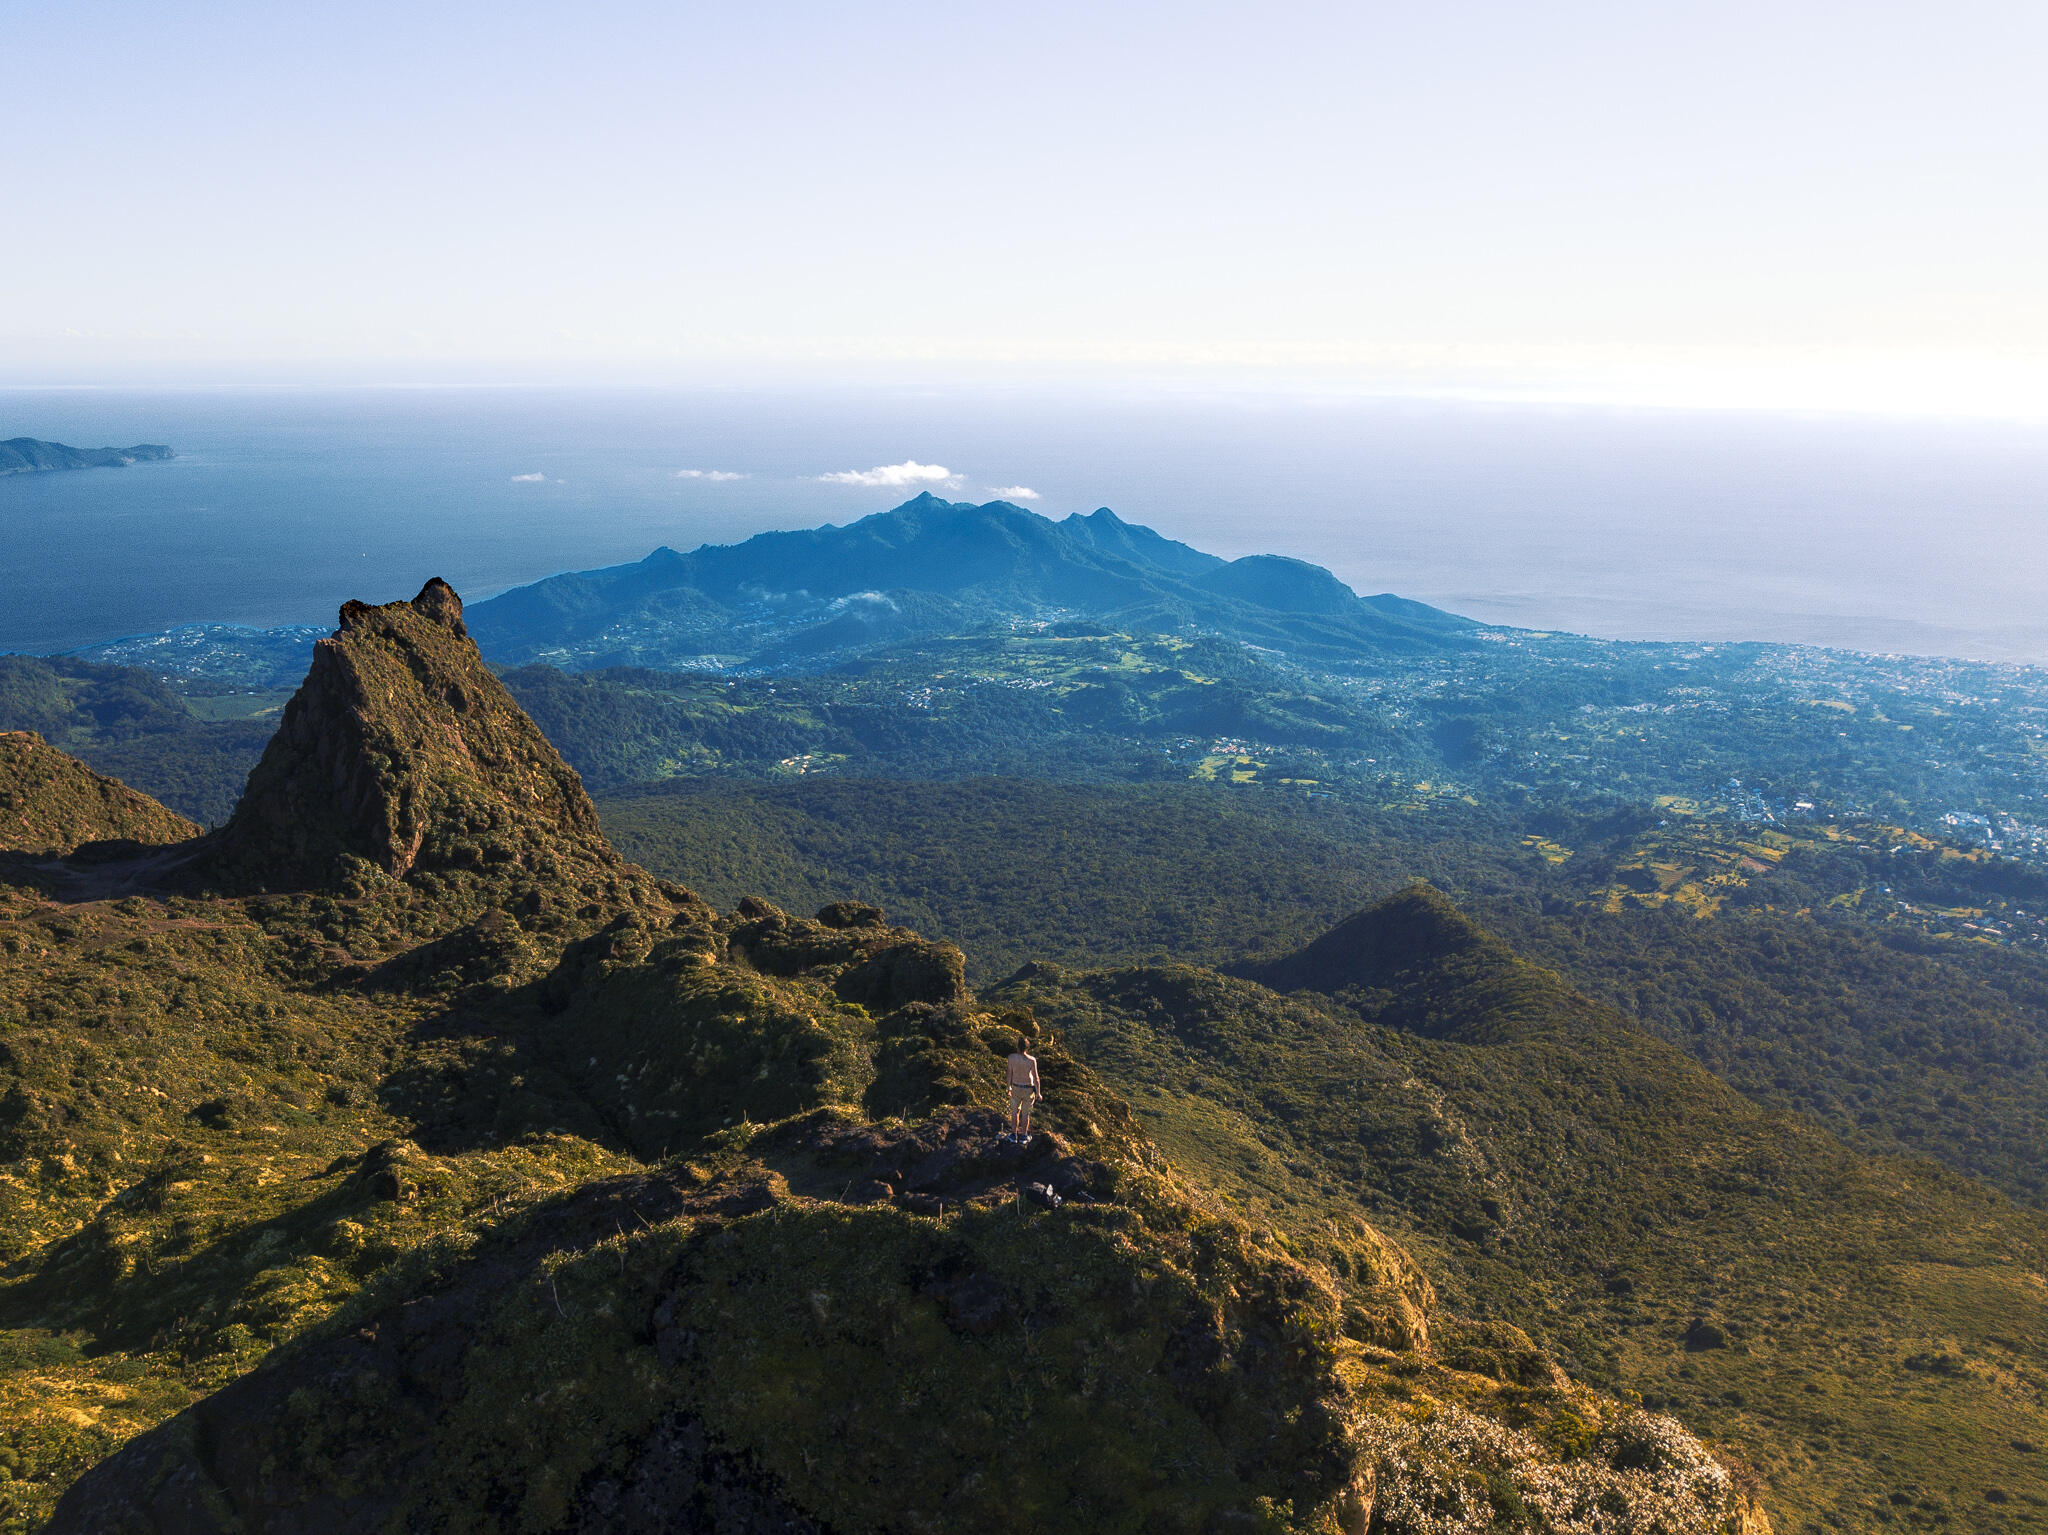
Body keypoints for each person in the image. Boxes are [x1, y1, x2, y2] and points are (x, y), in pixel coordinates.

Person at [1005, 1044, 1041, 1142]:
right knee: (1025, 1114)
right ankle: (1024, 1136)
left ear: (1018, 1047)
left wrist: (1008, 1087)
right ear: (1027, 1048)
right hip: (1028, 1089)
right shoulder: (1032, 1060)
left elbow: (1009, 1074)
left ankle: (1013, 1135)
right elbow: (1036, 1078)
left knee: (1014, 1112)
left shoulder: (1011, 1058)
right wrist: (1038, 1093)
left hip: (1015, 1087)